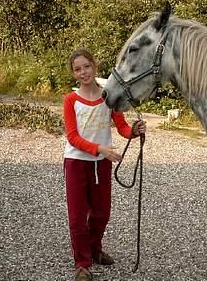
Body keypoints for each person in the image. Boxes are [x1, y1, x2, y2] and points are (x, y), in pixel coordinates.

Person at [63, 49, 147, 281]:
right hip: (76, 163)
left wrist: (134, 131)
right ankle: (82, 263)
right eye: (77, 69)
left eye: (86, 66)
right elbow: (72, 137)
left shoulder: (109, 97)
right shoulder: (70, 100)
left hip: (102, 165)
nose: (83, 72)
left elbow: (121, 127)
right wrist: (100, 149)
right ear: (73, 74)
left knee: (102, 213)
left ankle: (95, 248)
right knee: (78, 217)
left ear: (95, 66)